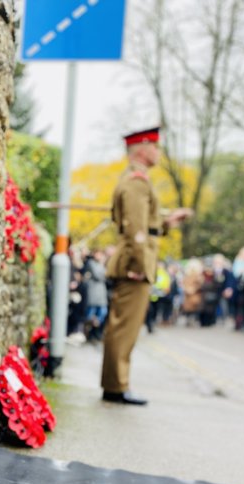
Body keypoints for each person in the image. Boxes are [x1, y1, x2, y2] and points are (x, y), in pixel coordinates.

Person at [101, 127, 191, 405]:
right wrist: (140, 264)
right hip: (135, 263)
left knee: (125, 326)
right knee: (124, 327)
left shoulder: (136, 179)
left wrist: (166, 224)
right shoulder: (137, 182)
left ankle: (116, 383)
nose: (158, 152)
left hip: (135, 260)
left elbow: (145, 227)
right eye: (155, 146)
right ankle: (117, 386)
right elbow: (136, 229)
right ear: (142, 147)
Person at [83, 249, 109, 342]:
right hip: (93, 292)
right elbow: (99, 275)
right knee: (90, 313)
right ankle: (88, 332)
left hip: (101, 294)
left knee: (102, 312)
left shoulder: (101, 265)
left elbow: (107, 275)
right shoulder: (91, 263)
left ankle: (95, 331)